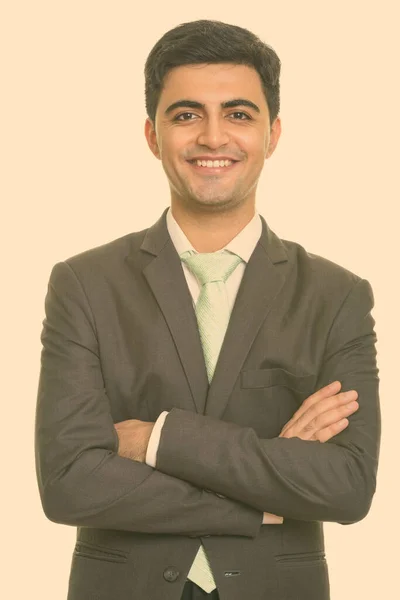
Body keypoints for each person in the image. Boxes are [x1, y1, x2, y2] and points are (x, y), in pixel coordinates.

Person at [35, 19, 381, 600]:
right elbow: (69, 483)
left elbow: (347, 486)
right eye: (187, 114)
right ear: (152, 134)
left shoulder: (336, 295)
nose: (213, 137)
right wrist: (262, 493)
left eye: (239, 115)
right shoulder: (83, 285)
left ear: (273, 134)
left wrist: (155, 440)